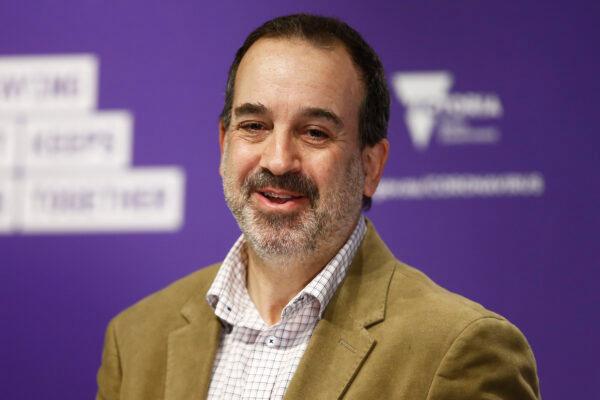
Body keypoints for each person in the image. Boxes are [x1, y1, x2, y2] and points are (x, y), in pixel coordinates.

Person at [96, 14, 540, 400]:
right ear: (223, 144)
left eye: (314, 133)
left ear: (370, 164)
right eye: (254, 126)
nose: (277, 160)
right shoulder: (136, 339)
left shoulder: (460, 349)